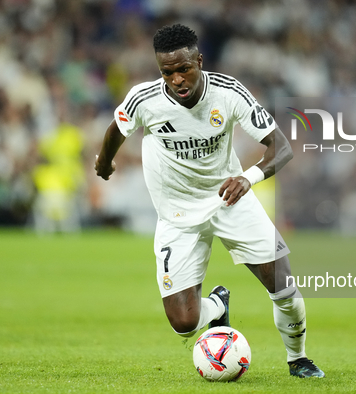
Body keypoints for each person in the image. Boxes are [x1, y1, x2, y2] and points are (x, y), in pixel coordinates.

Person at [94, 24, 324, 378]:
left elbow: (282, 147)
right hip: (177, 214)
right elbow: (116, 130)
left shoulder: (229, 93)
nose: (177, 79)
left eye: (184, 68)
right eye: (167, 72)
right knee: (184, 324)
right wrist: (104, 161)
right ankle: (216, 305)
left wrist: (248, 177)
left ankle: (299, 359)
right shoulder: (145, 100)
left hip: (230, 198)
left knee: (283, 284)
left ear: (199, 61)